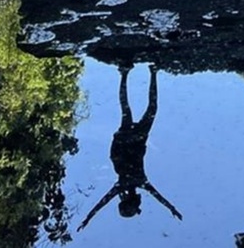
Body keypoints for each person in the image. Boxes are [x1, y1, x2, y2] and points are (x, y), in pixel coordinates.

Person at [76, 64, 182, 232]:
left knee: (149, 108)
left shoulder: (138, 182)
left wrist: (171, 208)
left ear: (134, 202)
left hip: (133, 141)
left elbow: (103, 203)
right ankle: (126, 73)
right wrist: (88, 218)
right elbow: (102, 203)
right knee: (127, 107)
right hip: (125, 141)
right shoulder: (125, 185)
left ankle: (151, 72)